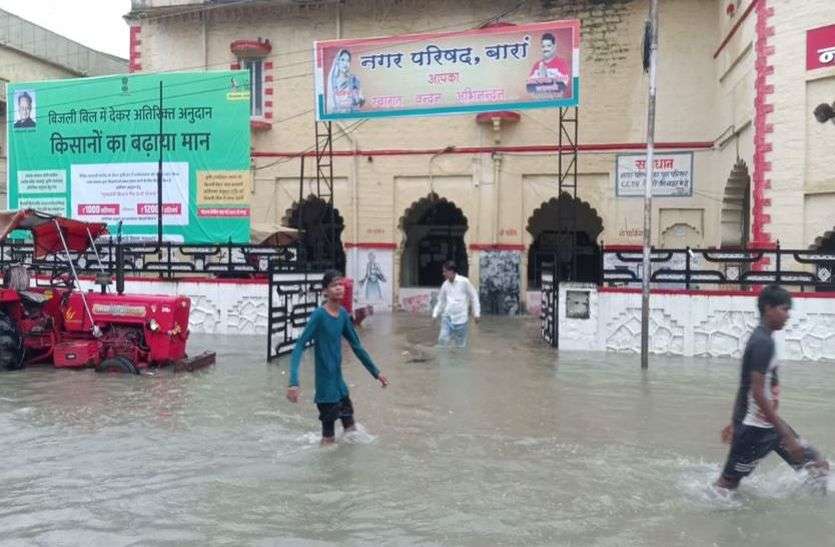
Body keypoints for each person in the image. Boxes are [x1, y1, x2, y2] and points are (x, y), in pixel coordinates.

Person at [715, 285, 829, 491]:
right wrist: (784, 434)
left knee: (818, 467)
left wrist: (734, 421)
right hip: (755, 429)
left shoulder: (764, 338)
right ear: (768, 308)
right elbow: (757, 393)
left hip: (768, 426)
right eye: (784, 309)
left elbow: (745, 387)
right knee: (727, 485)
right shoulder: (762, 343)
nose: (788, 316)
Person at [286, 269, 388, 445]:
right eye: (334, 285)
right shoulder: (319, 315)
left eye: (340, 284)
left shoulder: (342, 316)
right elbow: (299, 347)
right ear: (325, 291)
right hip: (326, 392)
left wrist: (376, 373)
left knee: (351, 432)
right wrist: (294, 382)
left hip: (340, 388)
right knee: (328, 441)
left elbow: (357, 347)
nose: (339, 288)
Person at [432, 261, 480, 348]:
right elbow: (441, 301)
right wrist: (435, 314)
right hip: (447, 317)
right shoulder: (445, 285)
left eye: (445, 271)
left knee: (460, 346)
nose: (443, 274)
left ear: (452, 271)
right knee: (442, 341)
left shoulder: (464, 282)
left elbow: (474, 297)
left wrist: (476, 313)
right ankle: (443, 361)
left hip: (461, 319)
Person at [327, 48, 364, 114]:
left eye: (348, 60)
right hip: (337, 114)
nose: (345, 63)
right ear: (337, 61)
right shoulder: (332, 82)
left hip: (353, 113)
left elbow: (361, 99)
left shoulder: (354, 79)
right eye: (342, 60)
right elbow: (331, 103)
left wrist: (359, 99)